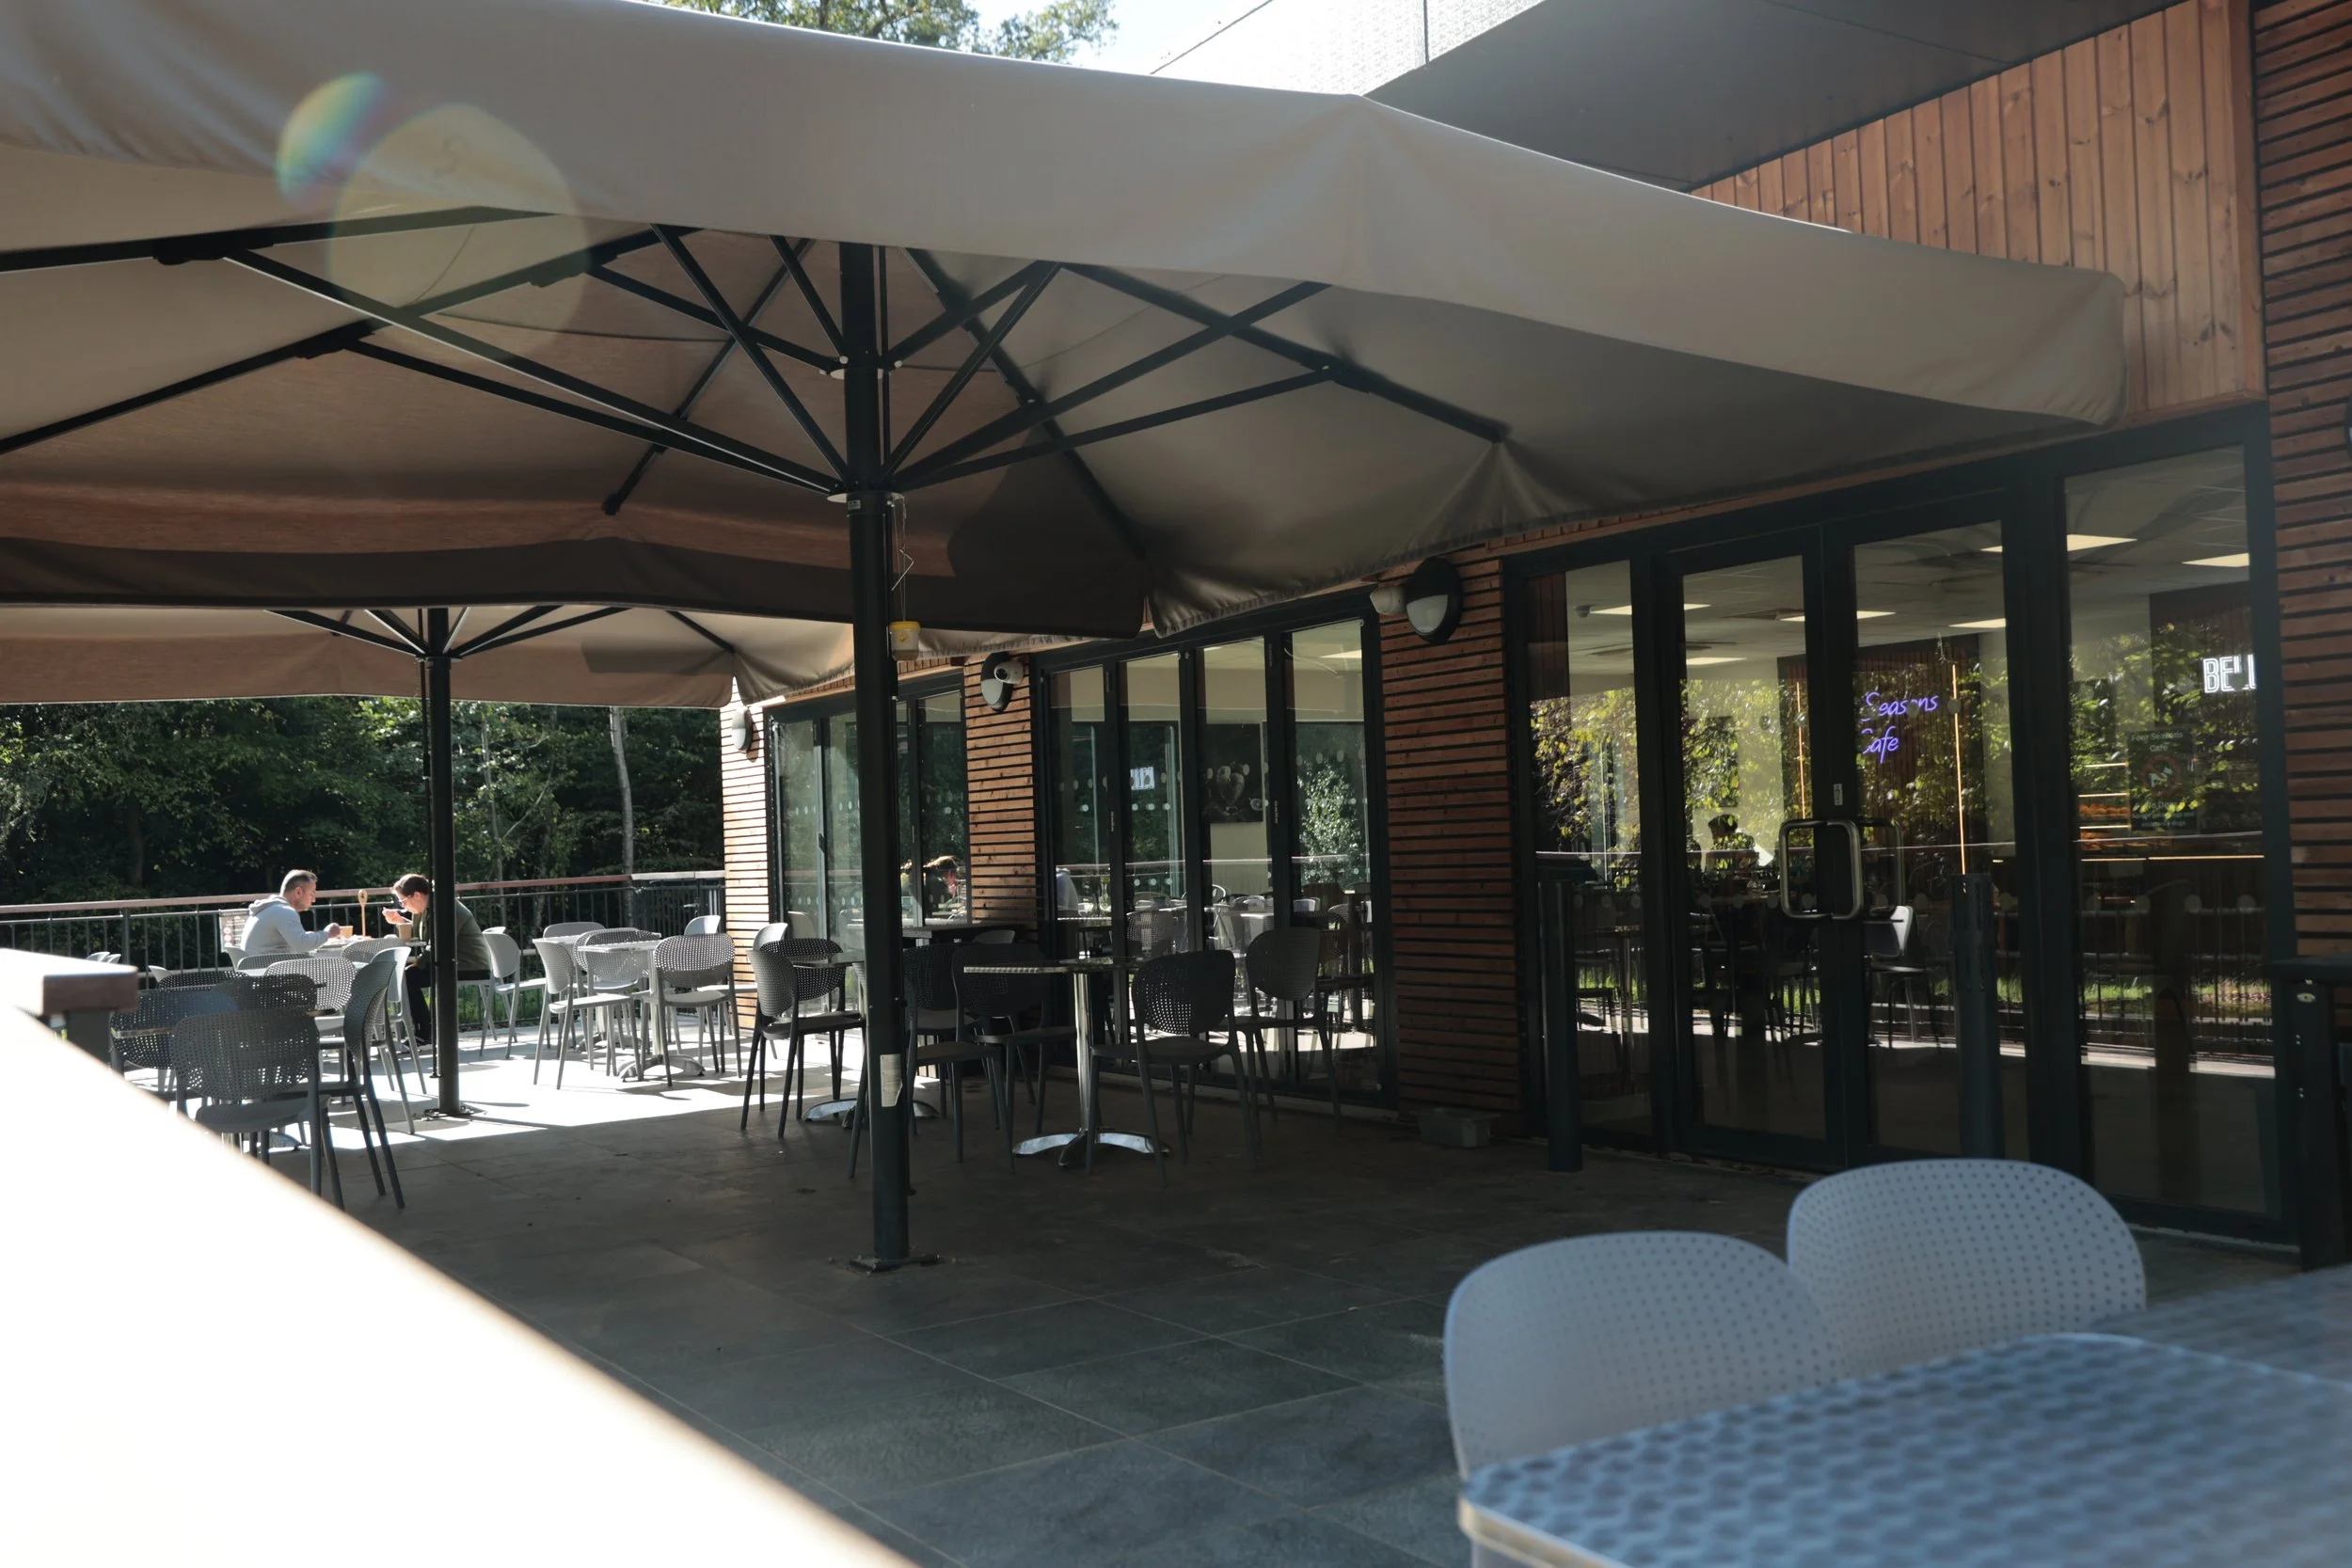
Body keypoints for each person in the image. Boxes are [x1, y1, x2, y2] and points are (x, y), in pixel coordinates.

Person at [381, 874, 494, 1045]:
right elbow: (424, 935)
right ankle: (424, 1031)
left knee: (408, 978)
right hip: (449, 961)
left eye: (403, 901)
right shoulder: (428, 907)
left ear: (417, 895)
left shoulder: (446, 908)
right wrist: (400, 920)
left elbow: (438, 943)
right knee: (407, 977)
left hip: (468, 964)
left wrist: (418, 963)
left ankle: (426, 1033)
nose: (402, 906)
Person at [242, 869, 344, 958]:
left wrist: (308, 936)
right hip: (269, 977)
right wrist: (327, 933)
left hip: (256, 974)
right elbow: (302, 945)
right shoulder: (284, 911)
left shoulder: (270, 909)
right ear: (298, 892)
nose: (314, 899)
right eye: (312, 893)